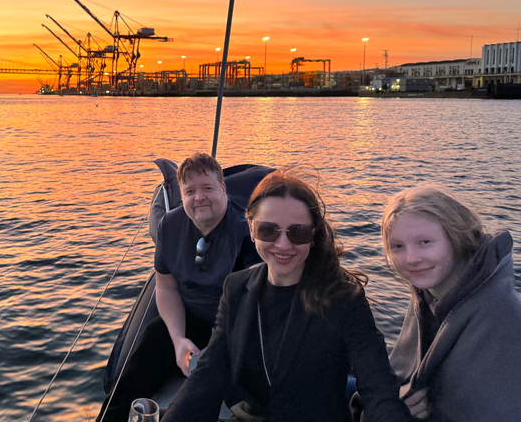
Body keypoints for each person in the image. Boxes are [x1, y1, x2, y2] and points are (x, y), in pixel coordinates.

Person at [162, 170, 414, 422]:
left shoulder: (343, 296)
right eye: (268, 230)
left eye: (298, 232)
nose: (283, 245)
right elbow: (210, 372)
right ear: (250, 228)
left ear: (313, 234)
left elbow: (377, 384)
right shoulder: (236, 288)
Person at [95, 153, 261, 422]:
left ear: (223, 189)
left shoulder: (245, 232)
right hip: (191, 319)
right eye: (190, 191)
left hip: (234, 326)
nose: (199, 197)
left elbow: (254, 297)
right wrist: (178, 339)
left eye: (207, 188)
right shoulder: (170, 226)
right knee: (150, 343)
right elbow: (167, 287)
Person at [380, 187, 521, 421]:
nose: (411, 259)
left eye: (425, 242)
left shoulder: (499, 316)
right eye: (398, 246)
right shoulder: (429, 296)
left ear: (456, 238)